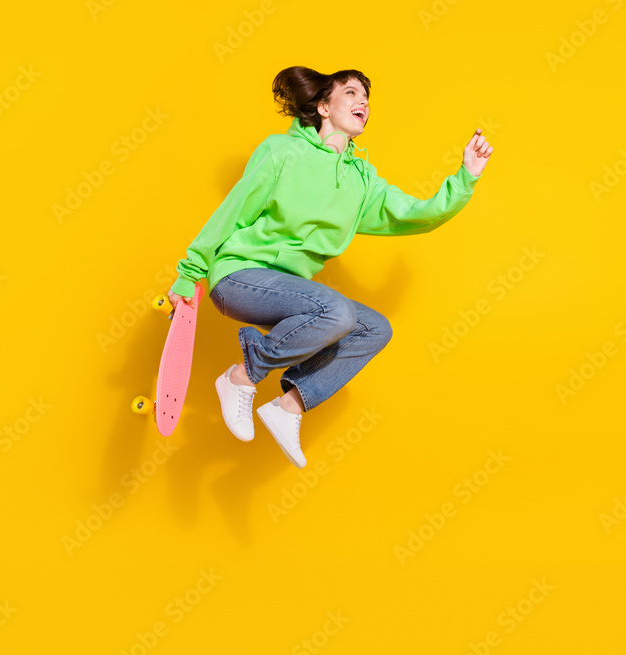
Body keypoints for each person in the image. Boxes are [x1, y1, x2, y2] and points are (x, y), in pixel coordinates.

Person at [167, 66, 494, 468]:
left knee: (374, 327)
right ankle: (242, 375)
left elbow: (417, 213)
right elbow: (232, 211)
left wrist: (465, 178)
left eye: (367, 98)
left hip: (287, 292)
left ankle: (289, 406)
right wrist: (190, 271)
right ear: (323, 106)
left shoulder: (363, 182)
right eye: (352, 93)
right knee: (336, 311)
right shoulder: (281, 152)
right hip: (239, 277)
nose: (364, 103)